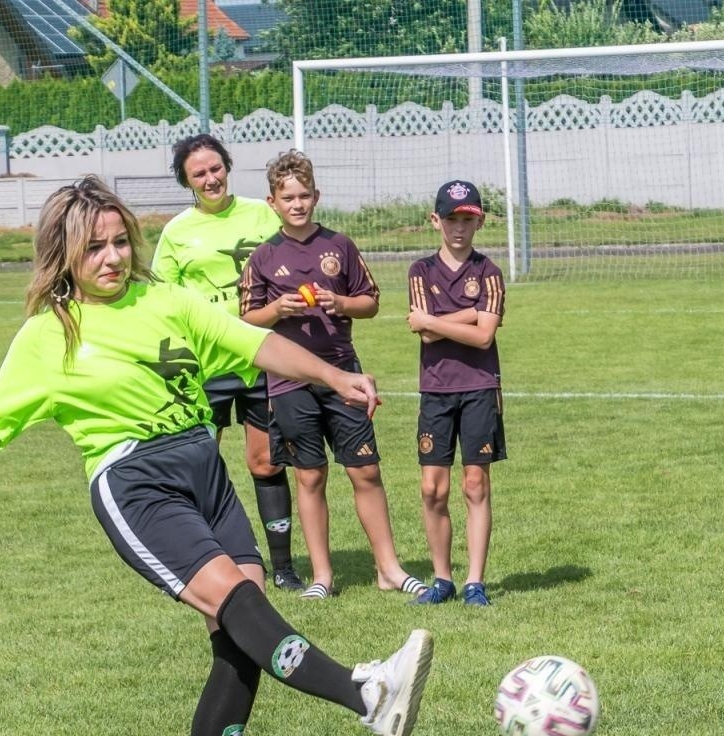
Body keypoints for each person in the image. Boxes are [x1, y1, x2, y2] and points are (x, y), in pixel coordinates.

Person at [0, 176, 434, 736]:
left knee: (239, 632)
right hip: (135, 482)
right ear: (64, 256)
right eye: (93, 248)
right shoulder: (50, 336)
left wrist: (335, 376)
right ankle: (364, 695)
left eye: (118, 243)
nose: (111, 258)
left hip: (203, 469)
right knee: (241, 607)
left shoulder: (164, 299)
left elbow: (253, 345)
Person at [239, 150, 427, 601]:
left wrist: (339, 303)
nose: (297, 204)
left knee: (366, 470)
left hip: (344, 375)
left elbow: (371, 301)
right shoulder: (263, 258)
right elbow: (245, 320)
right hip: (287, 383)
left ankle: (389, 568)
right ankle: (322, 576)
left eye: (304, 195)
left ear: (316, 196)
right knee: (310, 476)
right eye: (288, 197)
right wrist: (276, 309)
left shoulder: (339, 246)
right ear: (272, 202)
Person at [153, 133, 303, 592]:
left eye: (215, 168)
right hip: (204, 366)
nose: (210, 178)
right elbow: (161, 298)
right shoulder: (176, 232)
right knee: (200, 464)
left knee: (265, 463)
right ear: (186, 180)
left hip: (259, 359)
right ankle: (208, 564)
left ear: (228, 167)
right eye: (199, 173)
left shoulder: (261, 214)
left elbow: (294, 261)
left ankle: (282, 567)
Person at [405, 180, 507, 607]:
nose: (459, 227)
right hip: (437, 391)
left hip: (480, 387)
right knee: (433, 488)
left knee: (475, 484)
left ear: (479, 221)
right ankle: (442, 579)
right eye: (451, 219)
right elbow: (422, 335)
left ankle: (475, 582)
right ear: (435, 221)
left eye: (467, 219)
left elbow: (483, 339)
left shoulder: (490, 273)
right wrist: (471, 315)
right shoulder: (420, 271)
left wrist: (438, 320)